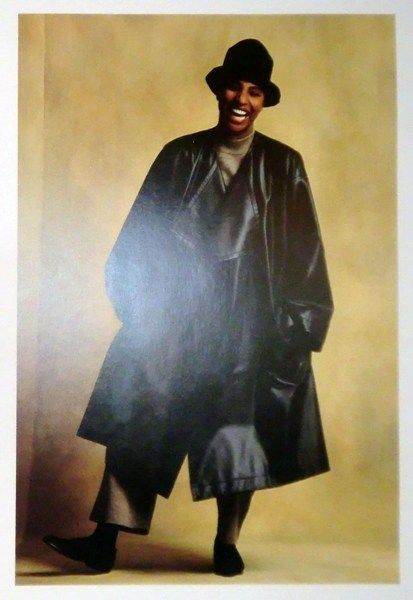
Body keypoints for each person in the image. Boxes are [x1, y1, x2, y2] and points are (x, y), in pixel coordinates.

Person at [43, 39, 333, 577]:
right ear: (219, 91)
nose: (241, 100)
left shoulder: (283, 166)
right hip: (178, 324)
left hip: (248, 330)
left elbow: (304, 252)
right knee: (138, 422)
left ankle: (226, 542)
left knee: (236, 437)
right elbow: (136, 241)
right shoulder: (179, 156)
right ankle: (104, 542)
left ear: (264, 100)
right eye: (234, 87)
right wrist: (142, 313)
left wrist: (294, 328)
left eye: (254, 91)